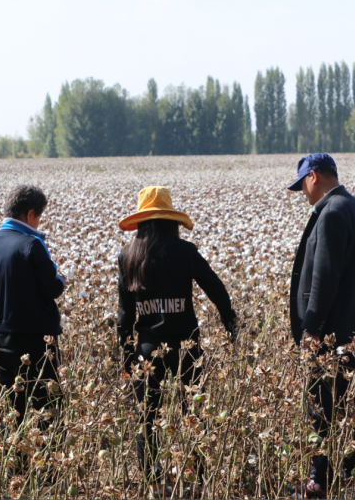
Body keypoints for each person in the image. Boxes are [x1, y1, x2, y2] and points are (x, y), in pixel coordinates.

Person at [116, 186, 237, 492]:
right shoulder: (185, 251)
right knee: (195, 412)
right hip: (186, 347)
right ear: (171, 220)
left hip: (147, 348)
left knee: (147, 417)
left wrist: (126, 353)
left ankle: (154, 484)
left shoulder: (128, 255)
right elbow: (215, 286)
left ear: (141, 221)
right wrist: (229, 321)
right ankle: (197, 480)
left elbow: (124, 313)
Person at [286, 153, 355, 498]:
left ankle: (318, 480)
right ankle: (350, 476)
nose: (303, 193)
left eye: (302, 185)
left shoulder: (331, 213)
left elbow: (325, 276)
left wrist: (311, 327)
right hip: (353, 329)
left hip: (331, 332)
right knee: (348, 407)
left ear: (313, 176)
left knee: (321, 409)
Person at [0, 185, 69, 476]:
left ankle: (14, 471)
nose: (39, 223)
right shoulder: (32, 244)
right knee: (47, 403)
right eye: (39, 217)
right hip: (33, 340)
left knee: (12, 406)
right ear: (30, 214)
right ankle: (46, 472)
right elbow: (52, 288)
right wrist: (62, 279)